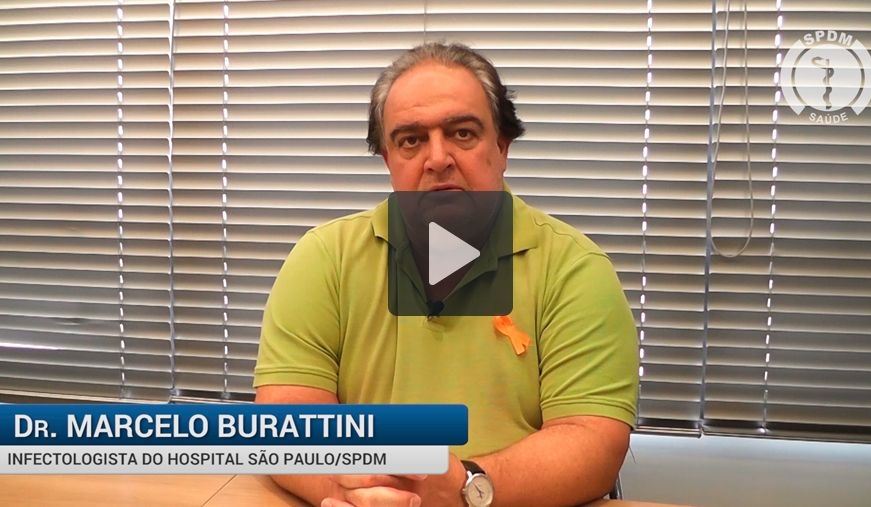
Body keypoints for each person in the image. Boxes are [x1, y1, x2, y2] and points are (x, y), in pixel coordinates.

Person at [254, 42, 638, 507]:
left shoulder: (575, 270)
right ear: (388, 160)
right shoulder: (324, 259)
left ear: (502, 146)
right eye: (411, 140)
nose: (437, 158)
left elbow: (592, 441)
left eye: (462, 133)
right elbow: (286, 420)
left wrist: (464, 486)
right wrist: (353, 488)